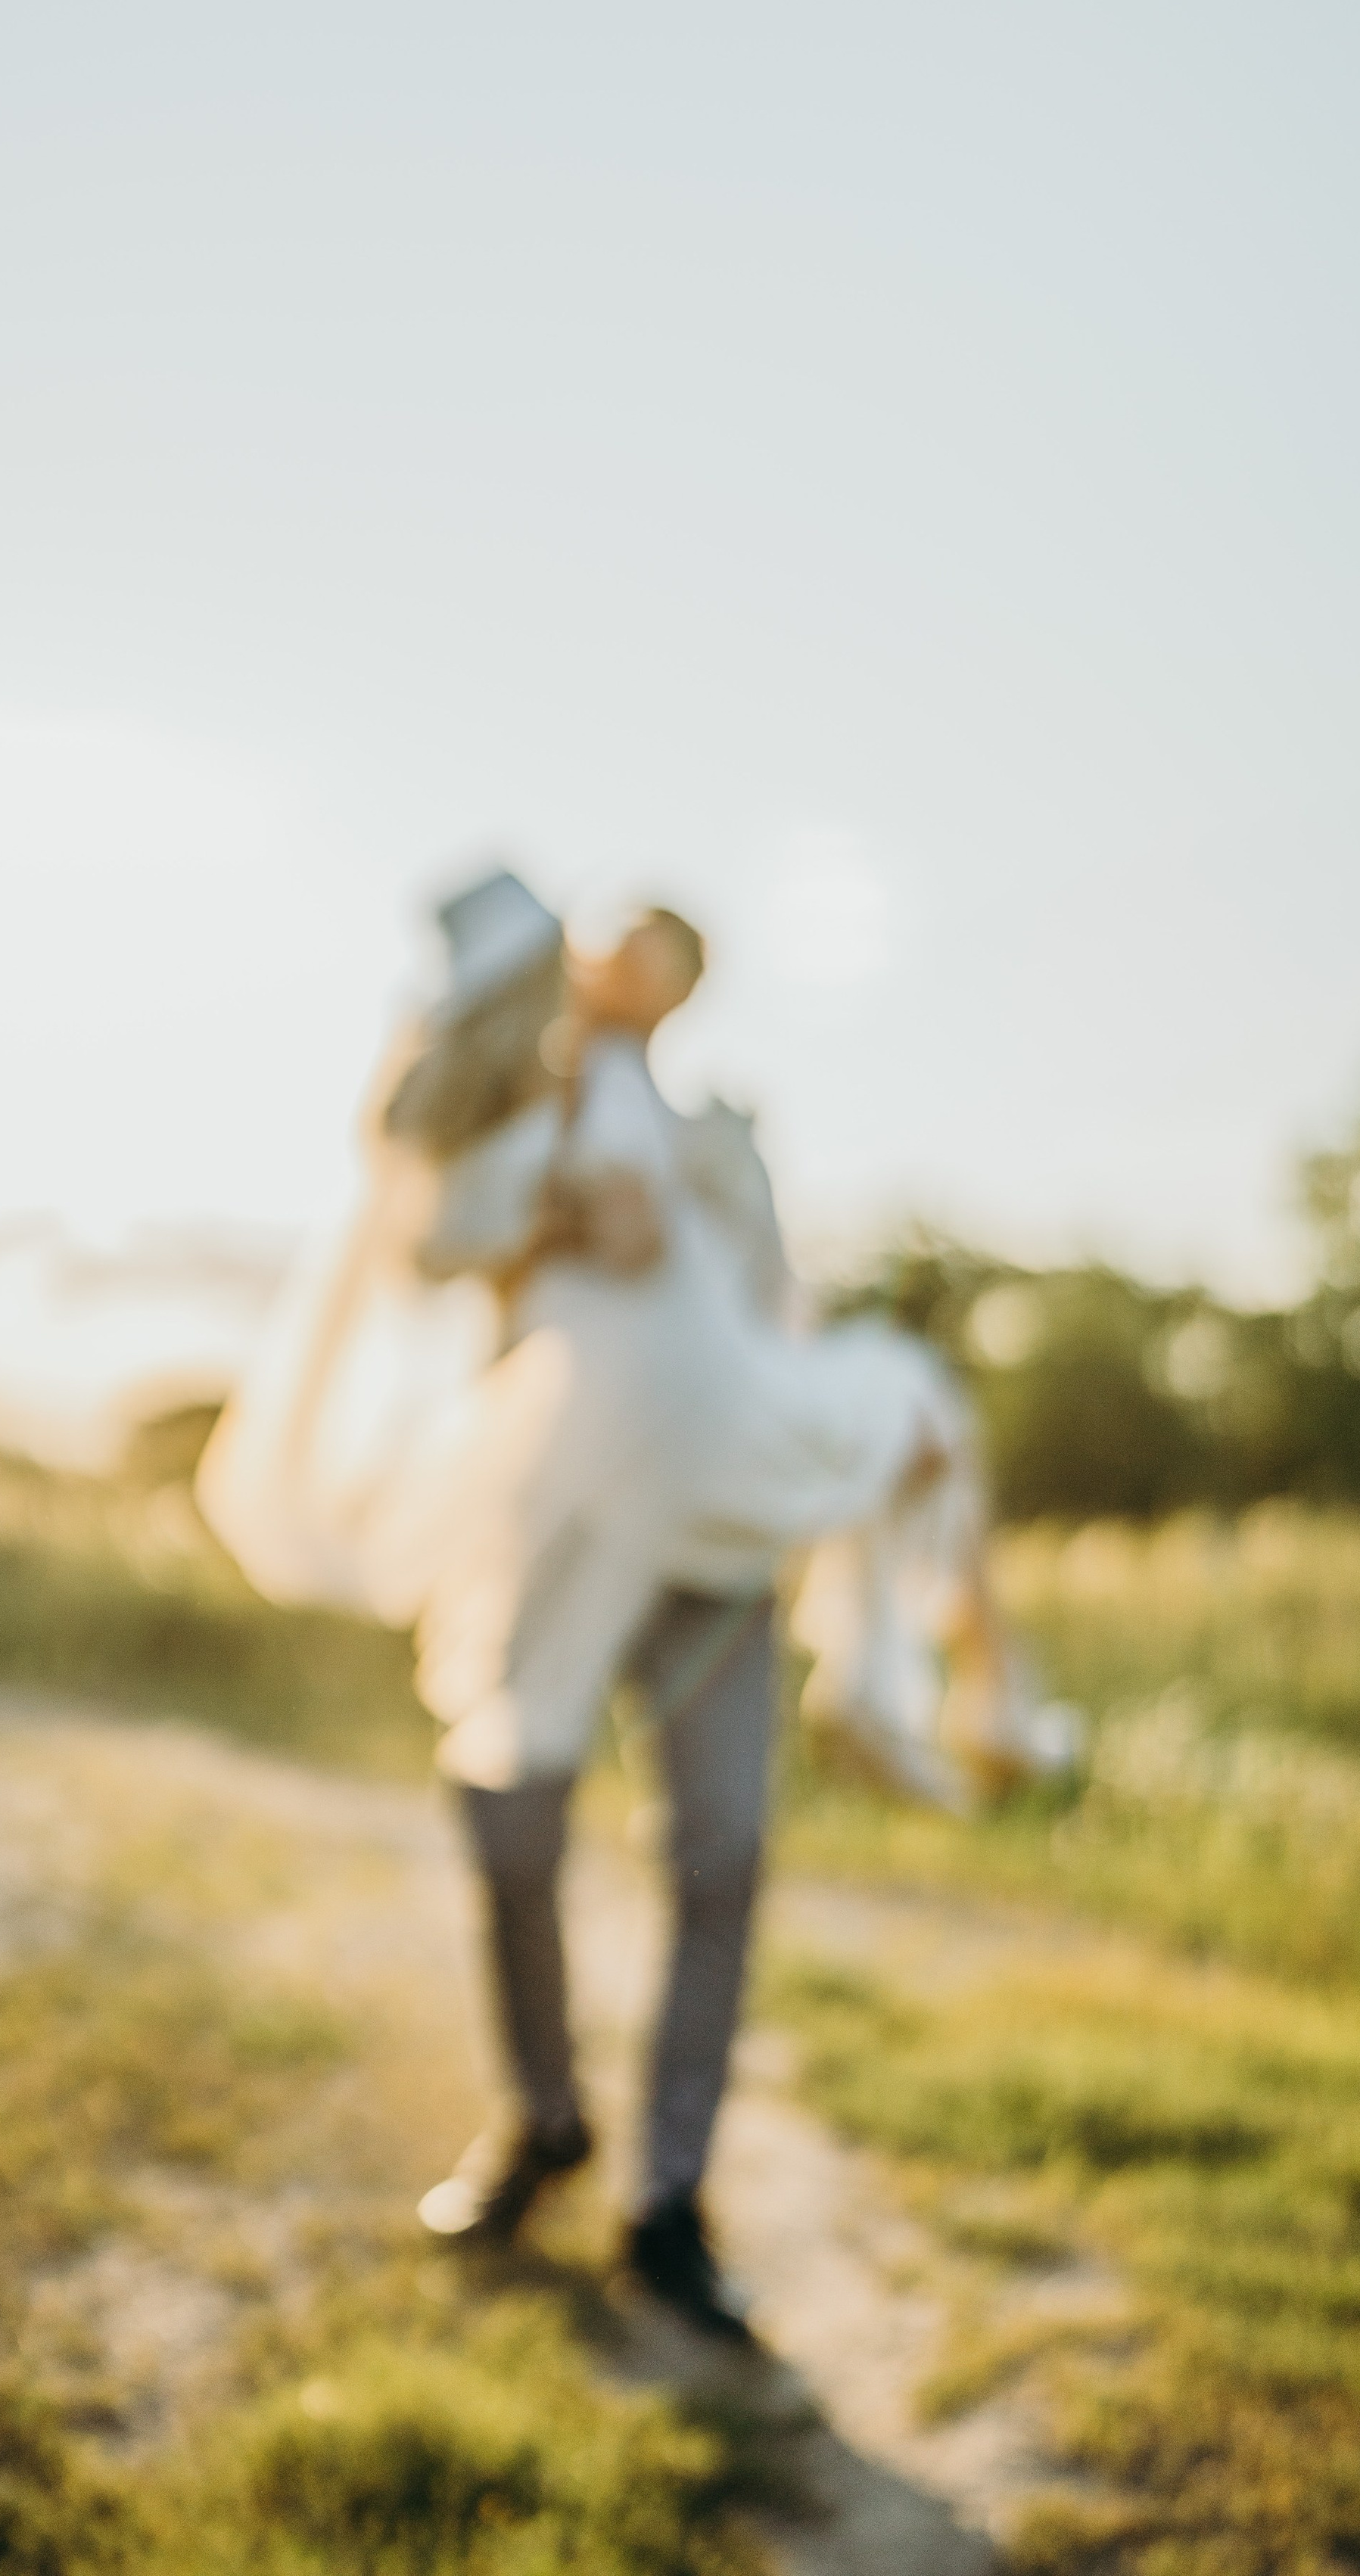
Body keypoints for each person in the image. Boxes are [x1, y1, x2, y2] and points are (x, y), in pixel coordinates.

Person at [197, 871, 1070, 2358]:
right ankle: (542, 2118)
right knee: (507, 1807)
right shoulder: (503, 1098)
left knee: (720, 1849)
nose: (637, 967)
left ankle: (668, 2200)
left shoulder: (718, 1132)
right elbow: (417, 1241)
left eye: (671, 957)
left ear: (683, 992)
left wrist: (823, 1426)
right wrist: (546, 1213)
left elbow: (769, 1305)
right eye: (625, 940)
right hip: (563, 1514)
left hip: (716, 1534)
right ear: (588, 957)